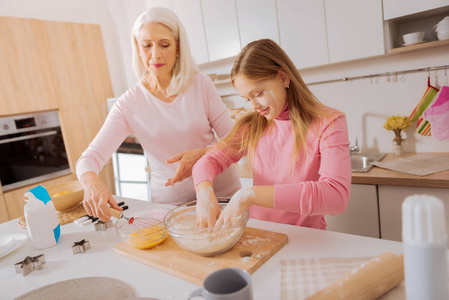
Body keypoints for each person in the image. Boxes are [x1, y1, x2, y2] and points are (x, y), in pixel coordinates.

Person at [76, 7, 241, 221]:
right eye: (147, 45)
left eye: (164, 44)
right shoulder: (129, 103)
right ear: (137, 47)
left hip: (223, 196)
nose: (155, 54)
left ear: (178, 46)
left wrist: (203, 154)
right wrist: (91, 184)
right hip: (172, 207)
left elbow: (238, 141)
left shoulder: (201, 85)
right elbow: (89, 158)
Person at [193, 39, 351, 229]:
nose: (254, 106)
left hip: (308, 238)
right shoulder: (253, 126)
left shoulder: (328, 122)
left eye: (258, 93)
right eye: (247, 99)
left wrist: (249, 194)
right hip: (262, 235)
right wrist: (203, 192)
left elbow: (335, 197)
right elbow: (209, 161)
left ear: (283, 78)